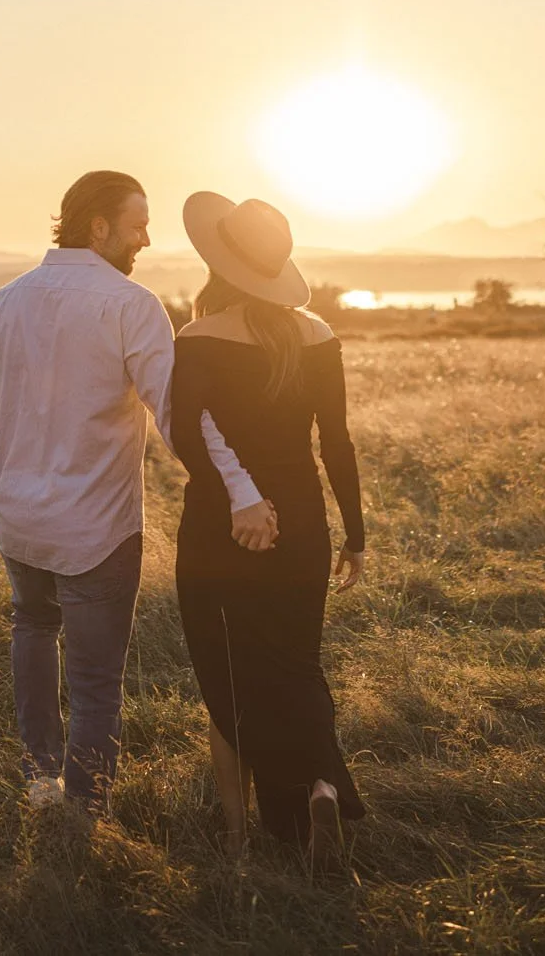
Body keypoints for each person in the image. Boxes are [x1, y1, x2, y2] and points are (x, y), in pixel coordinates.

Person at [169, 191, 367, 869]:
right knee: (297, 665)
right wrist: (356, 533)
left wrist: (237, 497)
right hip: (305, 518)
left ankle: (240, 831)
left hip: (221, 525)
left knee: (226, 671)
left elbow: (187, 438)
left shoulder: (197, 338)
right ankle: (318, 789)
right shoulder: (318, 335)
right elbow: (336, 441)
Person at [0, 170, 170, 815]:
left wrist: (11, 481)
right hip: (96, 528)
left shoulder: (2, 303)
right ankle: (85, 809)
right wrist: (238, 486)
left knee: (32, 628)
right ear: (100, 226)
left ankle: (41, 781)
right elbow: (175, 411)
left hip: (19, 518)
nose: (147, 237)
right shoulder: (131, 304)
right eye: (138, 223)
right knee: (95, 678)